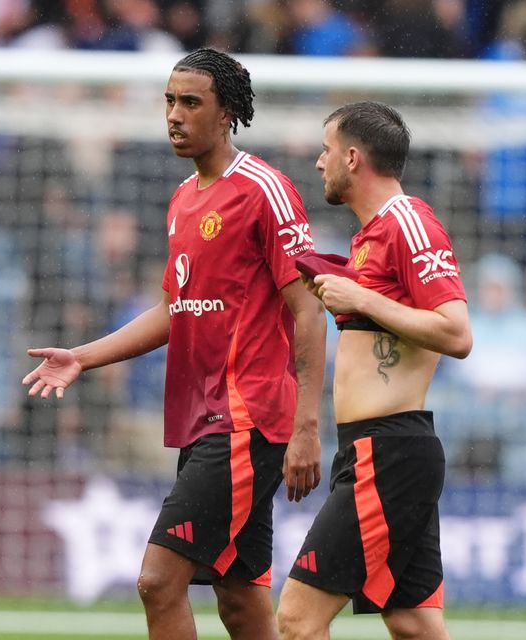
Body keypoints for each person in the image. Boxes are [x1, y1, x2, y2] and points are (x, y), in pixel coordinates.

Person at [21, 48, 326, 640]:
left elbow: (308, 309)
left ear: (227, 113)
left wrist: (308, 427)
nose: (175, 115)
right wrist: (84, 355)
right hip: (204, 420)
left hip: (248, 418)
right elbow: (172, 310)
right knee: (239, 600)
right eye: (169, 101)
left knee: (159, 581)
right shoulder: (183, 199)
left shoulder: (265, 188)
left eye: (191, 102)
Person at [277, 102, 471, 640]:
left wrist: (358, 295)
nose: (320, 163)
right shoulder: (369, 238)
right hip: (375, 449)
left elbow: (457, 333)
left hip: (389, 454)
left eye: (327, 150)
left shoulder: (409, 222)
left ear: (354, 157)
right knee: (413, 623)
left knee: (296, 620)